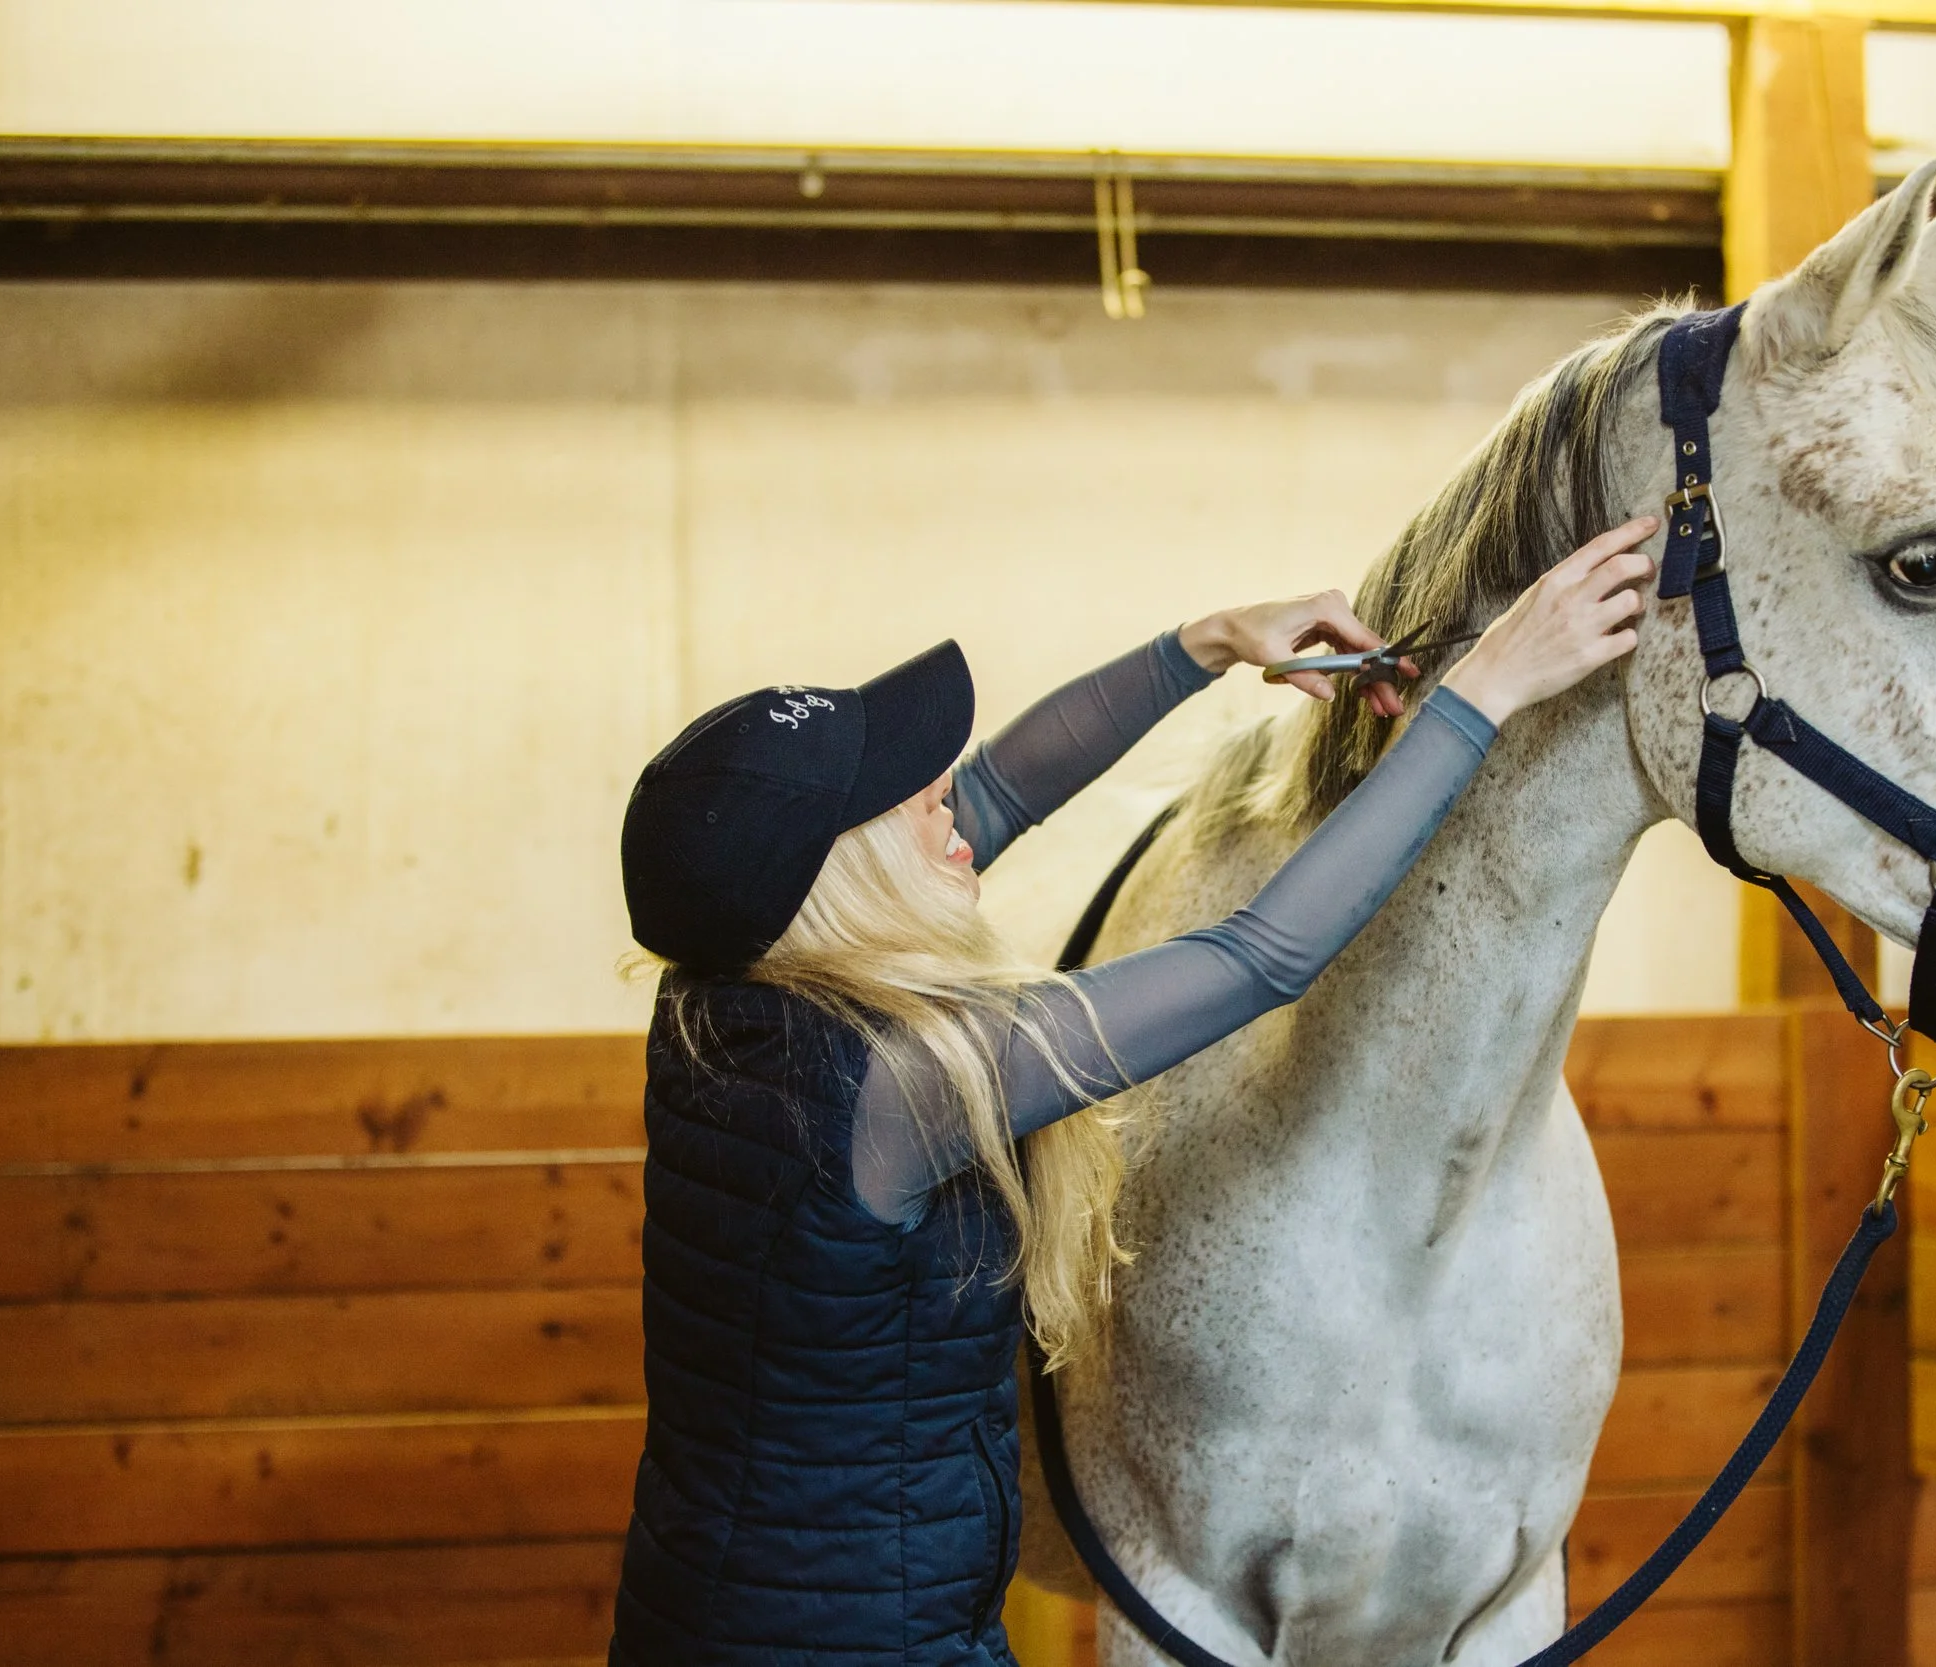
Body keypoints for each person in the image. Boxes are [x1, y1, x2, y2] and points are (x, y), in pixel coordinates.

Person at [609, 515, 1659, 1667]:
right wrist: (1487, 687)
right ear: (838, 884)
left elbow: (1004, 785)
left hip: (716, 1613)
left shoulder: (725, 1007)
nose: (941, 797)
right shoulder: (896, 1081)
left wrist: (1204, 643)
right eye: (897, 799)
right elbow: (1264, 954)